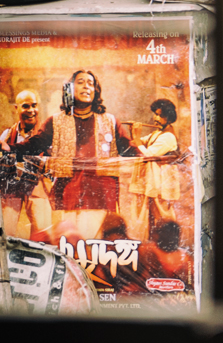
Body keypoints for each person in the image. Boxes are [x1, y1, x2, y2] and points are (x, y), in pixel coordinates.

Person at [1, 71, 131, 239]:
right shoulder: (55, 121)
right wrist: (10, 148)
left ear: (96, 90)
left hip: (99, 194)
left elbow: (129, 148)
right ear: (70, 88)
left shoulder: (110, 121)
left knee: (90, 247)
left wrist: (156, 158)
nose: (86, 86)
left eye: (90, 83)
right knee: (70, 246)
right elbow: (35, 144)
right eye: (81, 82)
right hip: (68, 193)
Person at [123, 98, 182, 241]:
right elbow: (139, 143)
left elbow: (148, 154)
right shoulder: (157, 133)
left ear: (168, 117)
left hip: (161, 186)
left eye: (160, 115)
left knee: (163, 217)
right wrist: (133, 133)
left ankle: (168, 246)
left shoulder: (168, 137)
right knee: (149, 219)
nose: (155, 118)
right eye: (155, 114)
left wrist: (136, 137)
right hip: (153, 183)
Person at [0, 90, 51, 239]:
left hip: (38, 189)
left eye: (34, 105)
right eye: (25, 106)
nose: (31, 110)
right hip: (12, 190)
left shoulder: (45, 134)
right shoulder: (7, 134)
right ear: (16, 108)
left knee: (42, 233)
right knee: (6, 231)